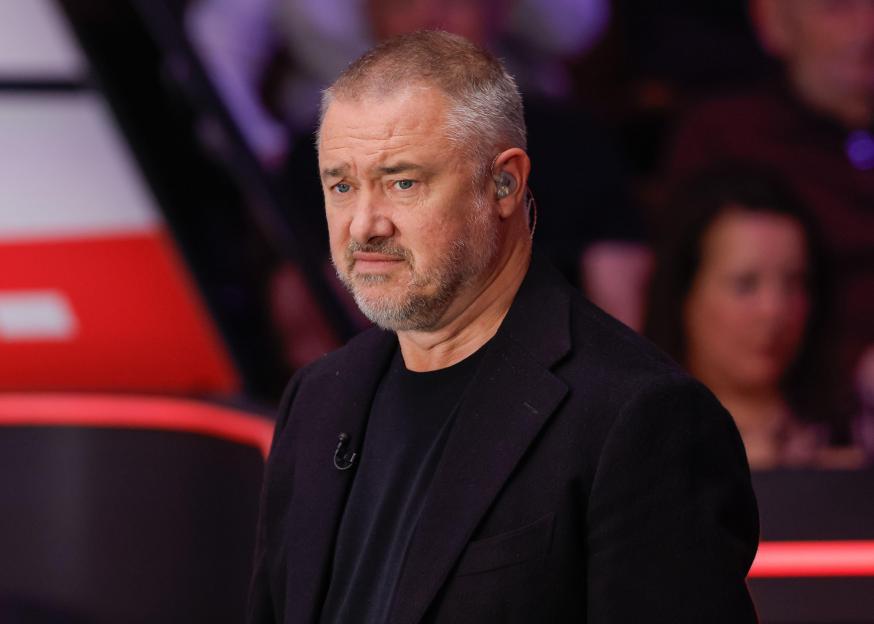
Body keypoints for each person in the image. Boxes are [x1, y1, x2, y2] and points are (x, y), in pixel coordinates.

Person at [247, 31, 758, 623]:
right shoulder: (318, 397)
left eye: (402, 182)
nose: (364, 225)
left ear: (504, 184)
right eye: (341, 185)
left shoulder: (639, 415)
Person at [663, 0, 874, 418]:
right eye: (838, 8)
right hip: (788, 416)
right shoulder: (729, 137)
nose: (869, 29)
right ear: (774, 22)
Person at [645, 167, 862, 469]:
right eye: (744, 284)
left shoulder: (854, 431)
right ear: (684, 294)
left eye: (794, 282)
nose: (774, 310)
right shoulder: (639, 442)